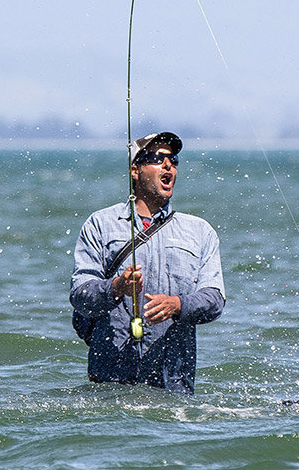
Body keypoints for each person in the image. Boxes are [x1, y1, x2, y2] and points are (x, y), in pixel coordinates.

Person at [70, 132, 225, 395]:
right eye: (157, 159)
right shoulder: (99, 224)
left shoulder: (201, 231)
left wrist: (178, 305)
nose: (168, 166)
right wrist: (116, 287)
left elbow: (215, 300)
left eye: (173, 160)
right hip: (110, 384)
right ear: (135, 171)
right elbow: (80, 295)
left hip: (173, 386)